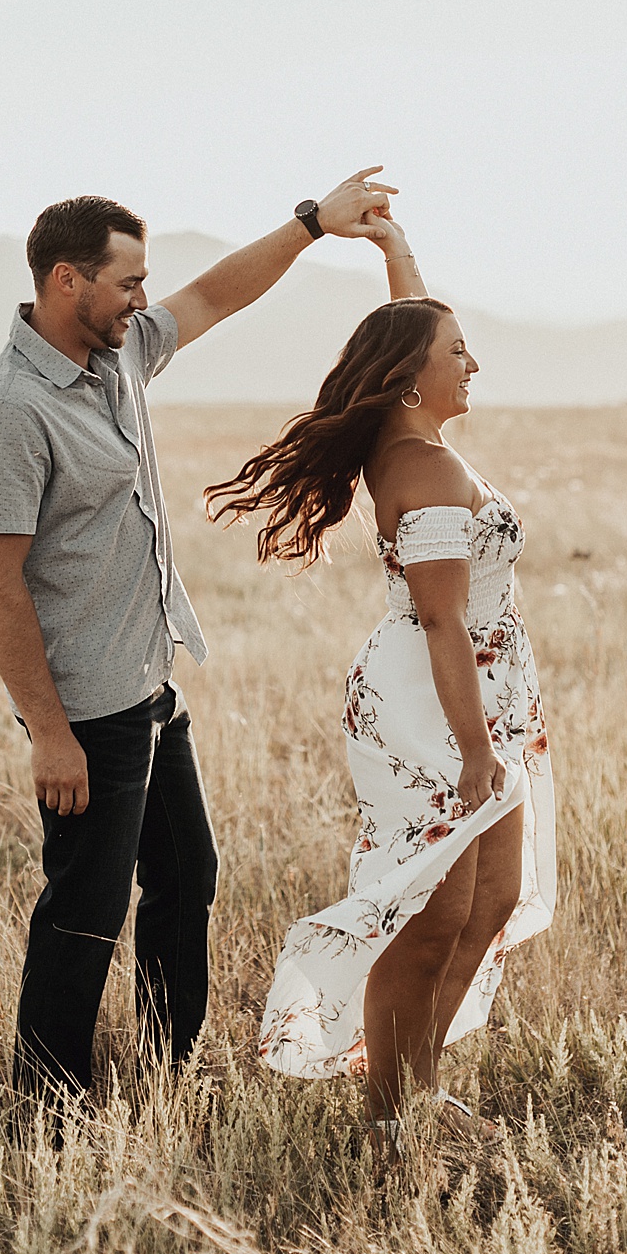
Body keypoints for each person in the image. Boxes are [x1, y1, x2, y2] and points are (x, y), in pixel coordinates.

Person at [0, 168, 395, 1121]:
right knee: (83, 913)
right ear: (66, 281)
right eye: (127, 284)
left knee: (187, 878)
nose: (144, 300)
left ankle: (168, 1067)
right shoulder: (10, 413)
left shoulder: (115, 357)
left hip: (150, 691)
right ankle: (48, 1108)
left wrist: (313, 224)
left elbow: (215, 294)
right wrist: (48, 731)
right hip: (86, 714)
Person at [205, 216, 555, 1149]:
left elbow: (410, 321)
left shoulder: (413, 437)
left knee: (491, 900)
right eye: (459, 352)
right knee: (432, 913)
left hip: (477, 692)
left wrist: (394, 248)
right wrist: (477, 751)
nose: (474, 363)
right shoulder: (426, 471)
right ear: (413, 375)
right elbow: (442, 620)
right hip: (435, 705)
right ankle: (391, 1119)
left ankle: (417, 1091)